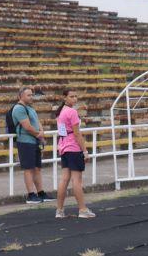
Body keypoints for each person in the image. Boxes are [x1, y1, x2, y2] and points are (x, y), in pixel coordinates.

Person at [54, 89, 96, 219]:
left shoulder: (60, 112)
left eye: (76, 96)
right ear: (64, 98)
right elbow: (77, 133)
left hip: (64, 147)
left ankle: (59, 210)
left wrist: (60, 145)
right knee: (76, 179)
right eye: (72, 96)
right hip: (73, 147)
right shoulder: (72, 112)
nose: (75, 99)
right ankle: (82, 209)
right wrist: (85, 151)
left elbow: (62, 132)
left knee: (65, 179)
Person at [11, 87, 52, 204]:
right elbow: (27, 126)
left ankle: (40, 192)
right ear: (20, 96)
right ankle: (31, 194)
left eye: (31, 95)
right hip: (25, 141)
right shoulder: (19, 108)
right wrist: (39, 135)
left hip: (34, 141)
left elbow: (37, 121)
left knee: (37, 168)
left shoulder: (30, 108)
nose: (31, 97)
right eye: (28, 95)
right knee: (28, 168)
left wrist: (42, 132)